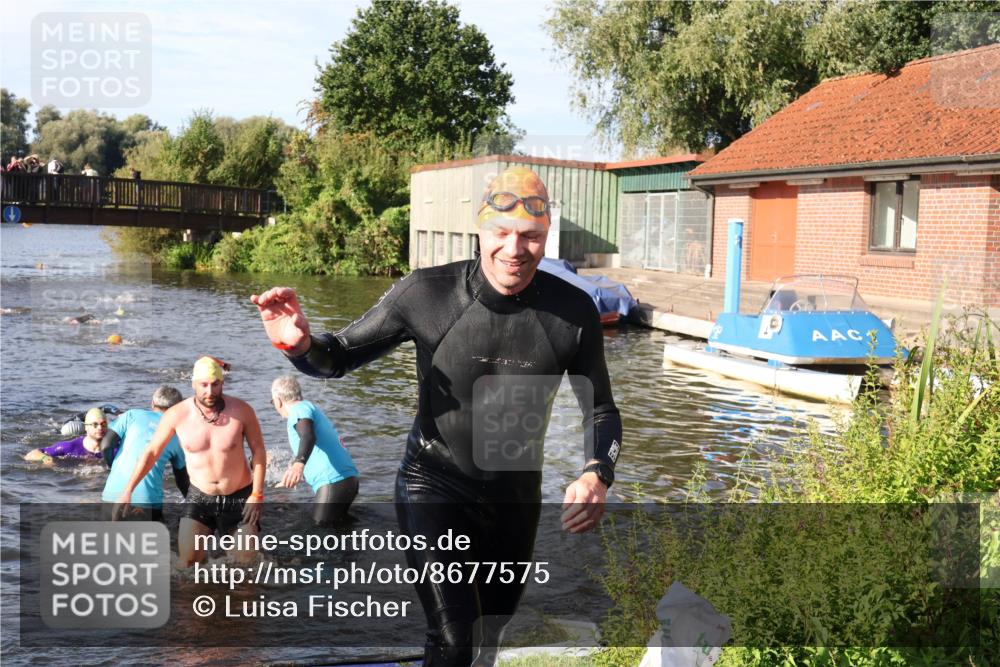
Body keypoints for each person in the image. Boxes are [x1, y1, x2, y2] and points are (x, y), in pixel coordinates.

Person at [252, 165, 622, 666]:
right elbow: (338, 355)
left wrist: (596, 472)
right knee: (454, 638)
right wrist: (298, 345)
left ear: (546, 235)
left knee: (488, 638)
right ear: (479, 230)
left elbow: (599, 408)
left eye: (531, 237)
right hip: (434, 484)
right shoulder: (428, 293)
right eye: (502, 233)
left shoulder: (573, 313)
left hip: (515, 499)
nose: (514, 250)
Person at [116, 357, 266, 566]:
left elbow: (258, 451)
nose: (209, 391)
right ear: (193, 383)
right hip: (199, 498)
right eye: (203, 385)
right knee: (187, 566)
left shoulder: (242, 411)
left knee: (246, 567)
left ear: (222, 383)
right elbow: (151, 452)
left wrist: (257, 494)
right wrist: (128, 490)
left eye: (215, 384)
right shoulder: (177, 415)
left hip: (239, 499)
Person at [271, 376, 359, 526]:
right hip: (346, 480)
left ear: (278, 400)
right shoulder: (308, 407)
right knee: (339, 528)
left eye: (272, 402)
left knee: (320, 533)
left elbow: (308, 436)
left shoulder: (298, 410)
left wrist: (298, 465)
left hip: (333, 482)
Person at [101, 386, 189, 522]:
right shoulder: (177, 435)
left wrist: (112, 465)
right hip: (148, 503)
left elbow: (106, 444)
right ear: (177, 409)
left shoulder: (131, 415)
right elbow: (182, 480)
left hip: (112, 497)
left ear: (152, 403)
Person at [24, 407, 108, 463]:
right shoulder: (69, 447)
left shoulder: (113, 449)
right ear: (86, 427)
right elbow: (30, 455)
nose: (100, 428)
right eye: (95, 425)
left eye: (103, 424)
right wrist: (46, 459)